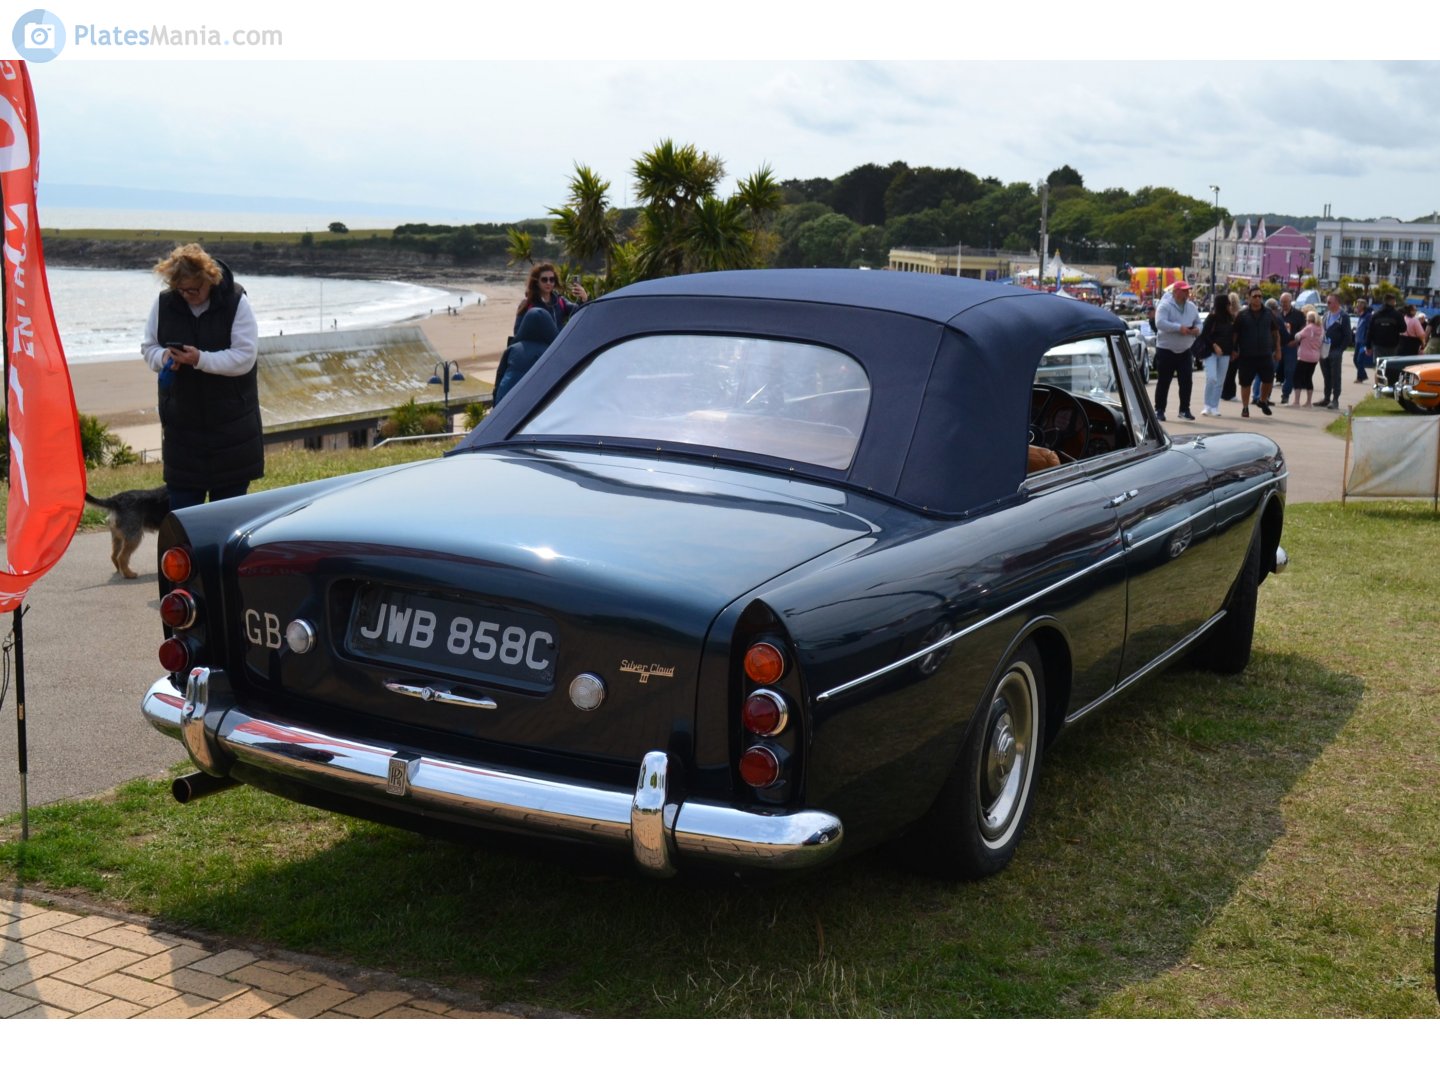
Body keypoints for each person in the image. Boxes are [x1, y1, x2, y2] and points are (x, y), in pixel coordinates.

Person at [140, 243, 262, 511]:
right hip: (182, 430)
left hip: (233, 428)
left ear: (210, 279)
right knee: (184, 520)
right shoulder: (164, 303)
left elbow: (244, 357)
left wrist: (200, 359)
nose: (187, 296)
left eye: (194, 289)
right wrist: (164, 358)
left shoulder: (237, 301)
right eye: (181, 290)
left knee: (227, 519)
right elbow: (148, 348)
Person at [1151, 280, 1201, 421]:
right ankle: (1159, 409)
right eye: (1184, 290)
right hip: (1166, 349)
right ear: (1176, 292)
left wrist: (1198, 330)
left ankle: (1184, 409)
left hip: (1185, 349)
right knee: (1164, 381)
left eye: (1188, 290)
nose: (1187, 293)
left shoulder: (1191, 307)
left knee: (1186, 381)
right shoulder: (1165, 305)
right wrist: (1179, 328)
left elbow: (1198, 322)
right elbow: (1159, 323)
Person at [1232, 286, 1281, 418]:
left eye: (1260, 296)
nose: (1258, 299)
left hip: (1265, 354)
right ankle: (1245, 407)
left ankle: (1262, 400)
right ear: (1249, 298)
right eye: (1255, 296)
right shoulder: (1242, 315)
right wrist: (1233, 349)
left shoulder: (1268, 313)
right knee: (1245, 383)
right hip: (1247, 355)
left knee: (1268, 380)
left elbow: (1275, 332)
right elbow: (1235, 334)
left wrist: (1278, 350)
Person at [493, 307, 557, 404]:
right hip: (536, 405)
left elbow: (499, 379)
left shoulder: (513, 349)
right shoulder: (552, 352)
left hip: (506, 402)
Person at [514, 262, 587, 336]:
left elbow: (578, 312)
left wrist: (583, 299)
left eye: (552, 279)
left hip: (558, 345)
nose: (548, 283)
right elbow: (518, 333)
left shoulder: (560, 302)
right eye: (544, 280)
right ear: (537, 282)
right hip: (540, 346)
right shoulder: (527, 305)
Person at [1197, 292, 1236, 417]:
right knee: (1212, 378)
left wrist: (1234, 350)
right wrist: (1214, 345)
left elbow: (1233, 336)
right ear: (1223, 305)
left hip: (1226, 353)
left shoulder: (1231, 319)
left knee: (1220, 381)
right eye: (1228, 304)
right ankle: (1207, 405)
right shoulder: (1212, 317)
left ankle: (1214, 406)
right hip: (1211, 352)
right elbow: (1204, 334)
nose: (1230, 306)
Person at [1320, 293, 1352, 408]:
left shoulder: (1344, 317)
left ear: (1337, 303)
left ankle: (1335, 400)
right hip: (1324, 350)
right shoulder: (1326, 315)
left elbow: (1348, 336)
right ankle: (1326, 398)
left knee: (1335, 376)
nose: (1327, 304)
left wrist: (1340, 350)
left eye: (1329, 302)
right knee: (1326, 375)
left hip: (1335, 350)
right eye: (1327, 302)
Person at [1275, 293, 1305, 405]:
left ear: (1290, 302)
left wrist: (1296, 341)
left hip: (1291, 347)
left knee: (1290, 371)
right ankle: (1266, 395)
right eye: (1282, 302)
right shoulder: (1277, 315)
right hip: (1278, 346)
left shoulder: (1298, 315)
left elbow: (1303, 331)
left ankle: (1285, 395)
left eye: (1286, 302)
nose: (1284, 304)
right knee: (1273, 370)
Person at [1291, 310, 1324, 408]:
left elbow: (1298, 336)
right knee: (1308, 378)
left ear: (1309, 319)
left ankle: (1296, 401)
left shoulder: (1309, 328)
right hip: (1314, 357)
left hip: (1304, 356)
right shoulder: (1321, 328)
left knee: (1297, 378)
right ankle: (1308, 402)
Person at [1353, 299, 1374, 383]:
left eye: (1358, 305)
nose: (1356, 306)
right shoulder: (1361, 316)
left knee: (1359, 360)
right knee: (1355, 360)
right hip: (1358, 341)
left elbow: (1369, 329)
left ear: (1363, 306)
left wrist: (1367, 342)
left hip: (1363, 342)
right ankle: (1363, 375)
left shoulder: (1368, 316)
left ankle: (1360, 378)